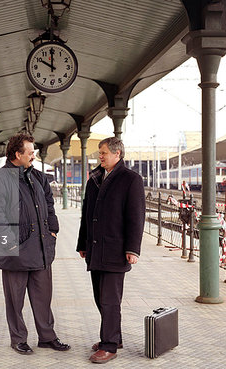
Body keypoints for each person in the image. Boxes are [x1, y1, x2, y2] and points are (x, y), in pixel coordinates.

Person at [0, 133, 70, 355]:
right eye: (30, 152)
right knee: (15, 302)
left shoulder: (39, 178)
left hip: (41, 251)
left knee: (43, 298)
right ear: (17, 154)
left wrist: (53, 231)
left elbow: (49, 206)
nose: (34, 156)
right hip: (15, 254)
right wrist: (11, 245)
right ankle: (18, 339)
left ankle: (47, 337)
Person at [76, 137, 145, 364]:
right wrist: (82, 244)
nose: (100, 156)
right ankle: (115, 337)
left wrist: (133, 249)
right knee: (99, 297)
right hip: (96, 249)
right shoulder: (95, 179)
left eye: (104, 152)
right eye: (100, 152)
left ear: (117, 154)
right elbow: (86, 214)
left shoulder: (131, 180)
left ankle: (109, 345)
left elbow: (136, 217)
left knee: (109, 299)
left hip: (116, 250)